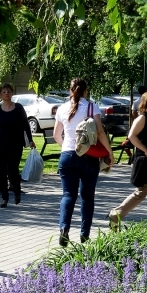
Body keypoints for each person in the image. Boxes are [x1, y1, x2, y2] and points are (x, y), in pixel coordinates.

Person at [52, 78, 113, 246]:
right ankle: (84, 235)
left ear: (70, 90)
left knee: (67, 195)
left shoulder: (62, 108)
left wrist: (67, 147)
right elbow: (100, 132)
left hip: (67, 156)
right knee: (87, 197)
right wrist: (109, 152)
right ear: (86, 91)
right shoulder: (92, 107)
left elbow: (57, 135)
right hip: (89, 157)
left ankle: (64, 229)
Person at [108, 90, 147, 227]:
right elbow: (131, 136)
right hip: (145, 161)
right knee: (141, 192)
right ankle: (115, 215)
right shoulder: (142, 118)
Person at [0, 83, 35, 207]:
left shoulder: (18, 108)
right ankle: (4, 197)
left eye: (8, 91)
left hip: (16, 142)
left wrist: (30, 139)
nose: (6, 93)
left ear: (12, 93)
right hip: (1, 142)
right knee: (1, 169)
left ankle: (17, 192)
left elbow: (25, 124)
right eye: (4, 92)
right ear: (0, 95)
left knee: (13, 169)